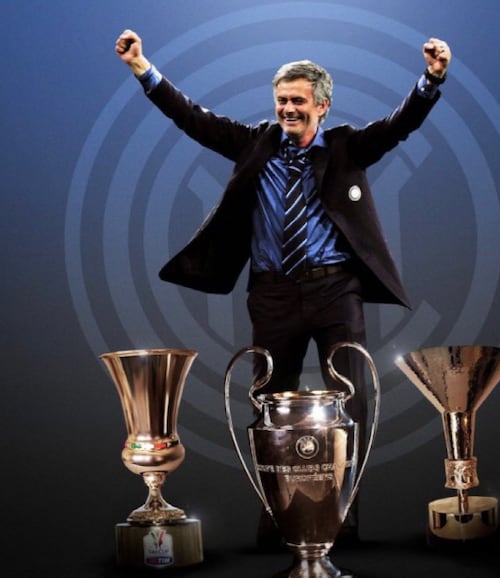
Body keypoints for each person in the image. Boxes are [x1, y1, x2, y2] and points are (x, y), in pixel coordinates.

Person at [115, 29, 451, 546]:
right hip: (272, 296)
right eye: (281, 101)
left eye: (298, 101)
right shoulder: (255, 143)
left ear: (322, 105)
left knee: (353, 403)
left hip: (335, 291)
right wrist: (143, 67)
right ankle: (277, 518)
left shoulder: (347, 146)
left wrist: (430, 80)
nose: (288, 109)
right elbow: (192, 118)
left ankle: (344, 518)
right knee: (269, 405)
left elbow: (399, 125)